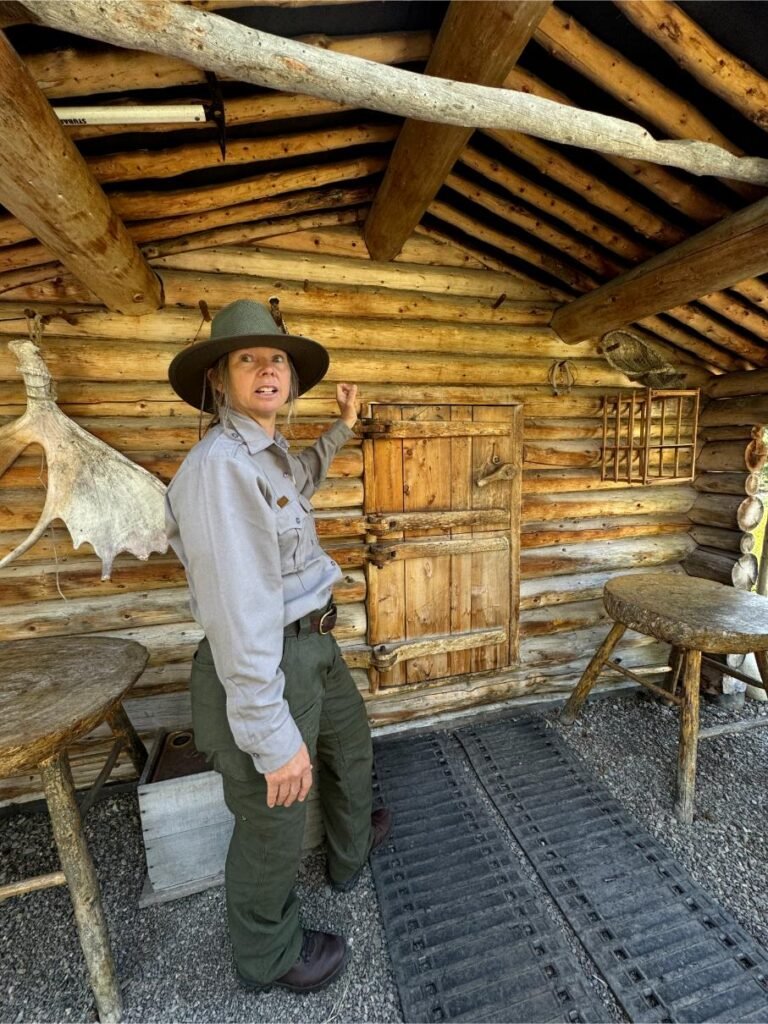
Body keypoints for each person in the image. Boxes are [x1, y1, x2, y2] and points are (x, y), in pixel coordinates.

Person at [164, 299, 391, 994]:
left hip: (314, 649)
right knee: (273, 818)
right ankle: (269, 956)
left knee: (350, 750)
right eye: (247, 358)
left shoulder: (267, 456)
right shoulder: (218, 470)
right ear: (219, 381)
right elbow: (237, 612)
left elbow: (301, 483)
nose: (268, 369)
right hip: (269, 660)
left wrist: (343, 430)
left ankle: (350, 853)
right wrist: (268, 730)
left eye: (277, 359)